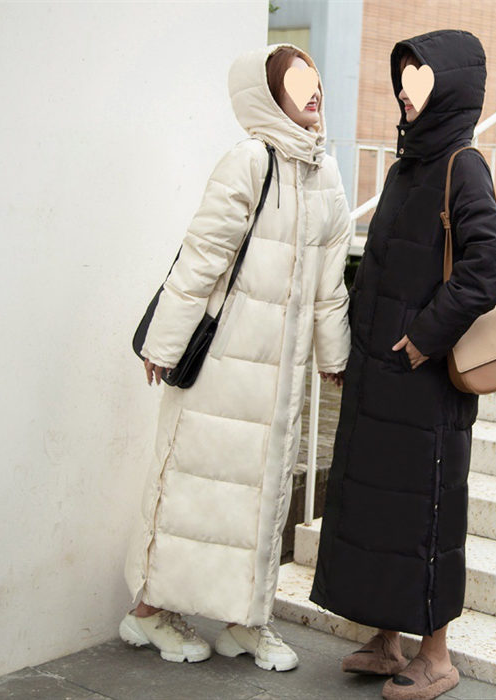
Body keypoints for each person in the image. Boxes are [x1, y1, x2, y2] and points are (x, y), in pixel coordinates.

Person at [120, 43, 351, 672]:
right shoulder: (249, 161)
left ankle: (245, 620)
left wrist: (333, 357)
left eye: (314, 78)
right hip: (223, 365)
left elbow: (331, 282)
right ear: (267, 95)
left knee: (259, 500)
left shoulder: (326, 174)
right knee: (193, 488)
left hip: (280, 378)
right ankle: (147, 612)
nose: (312, 90)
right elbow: (202, 256)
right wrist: (165, 343)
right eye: (295, 81)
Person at [310, 30, 496, 700]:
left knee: (426, 514)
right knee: (379, 511)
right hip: (383, 377)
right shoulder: (407, 167)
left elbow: (490, 265)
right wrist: (353, 348)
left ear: (450, 86)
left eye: (419, 79)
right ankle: (387, 639)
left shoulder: (463, 164)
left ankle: (437, 655)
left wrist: (426, 335)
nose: (405, 91)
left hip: (426, 385)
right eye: (402, 79)